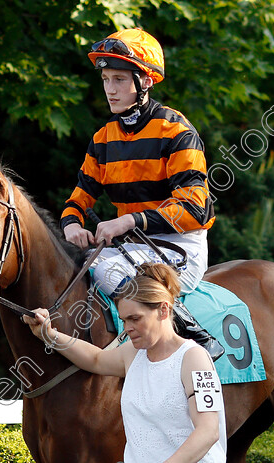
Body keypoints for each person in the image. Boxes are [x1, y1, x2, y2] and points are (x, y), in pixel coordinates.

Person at [60, 28, 221, 357]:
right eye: (105, 79)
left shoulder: (176, 131)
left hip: (180, 249)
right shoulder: (103, 139)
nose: (110, 89)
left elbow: (195, 209)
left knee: (104, 270)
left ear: (145, 81)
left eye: (119, 79)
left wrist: (127, 222)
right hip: (132, 250)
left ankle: (190, 331)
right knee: (71, 267)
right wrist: (71, 225)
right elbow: (78, 199)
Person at [24, 263, 226, 463]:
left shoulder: (194, 358)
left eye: (135, 319)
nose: (128, 328)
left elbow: (208, 431)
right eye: (124, 320)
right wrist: (48, 334)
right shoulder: (133, 352)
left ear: (163, 310)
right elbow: (95, 359)